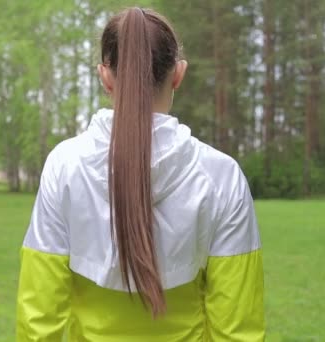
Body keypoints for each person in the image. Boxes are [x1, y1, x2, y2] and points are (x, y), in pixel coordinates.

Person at [16, 7, 264, 341]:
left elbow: (39, 317)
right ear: (178, 74)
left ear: (105, 76)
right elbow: (237, 327)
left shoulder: (65, 165)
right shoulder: (222, 176)